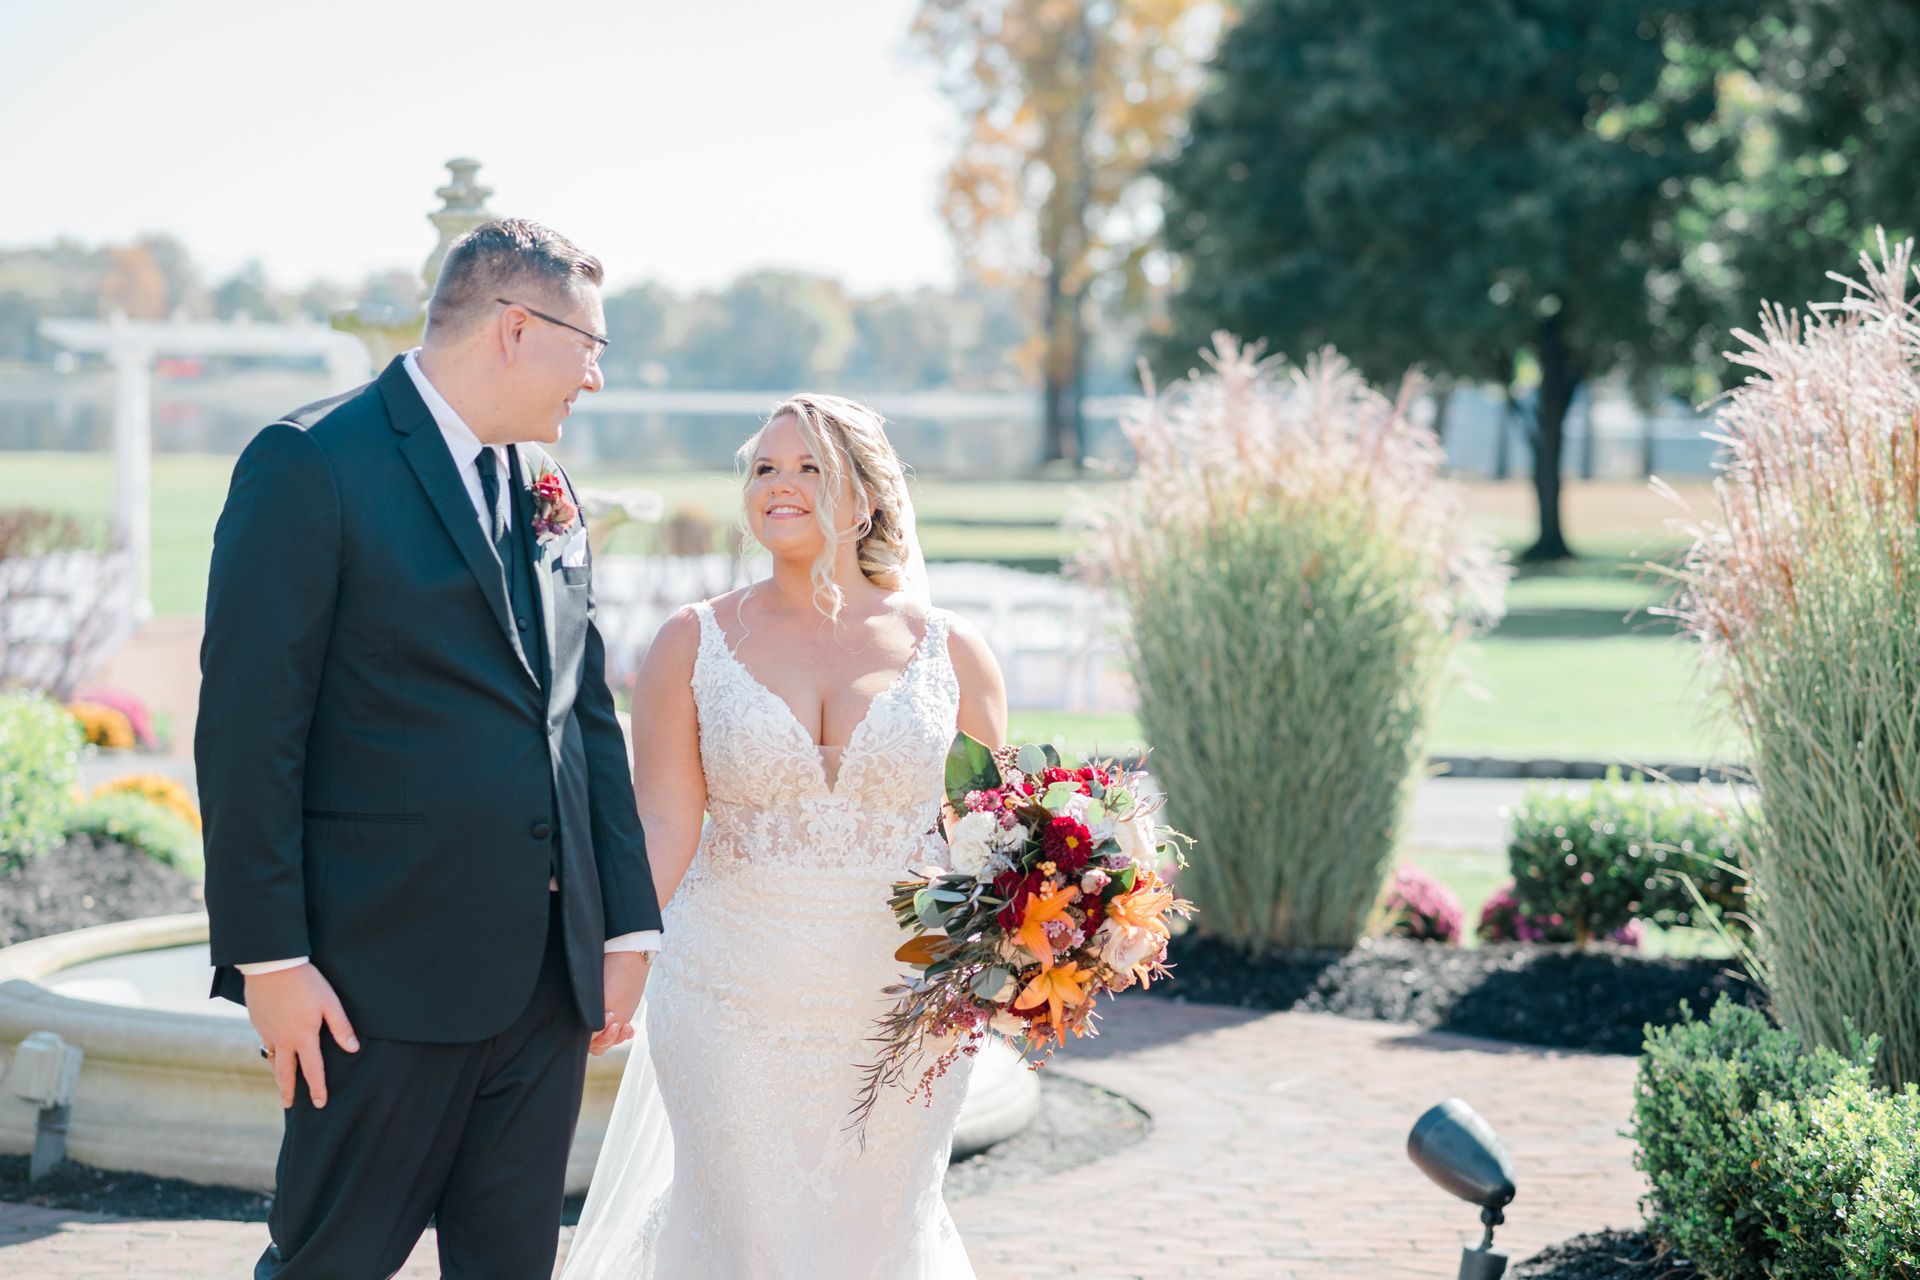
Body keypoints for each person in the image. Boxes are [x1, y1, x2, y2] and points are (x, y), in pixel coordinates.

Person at [197, 218, 661, 1279]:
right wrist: (272, 960)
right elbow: (248, 732)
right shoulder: (311, 461)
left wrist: (625, 918)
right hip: (374, 989)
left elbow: (582, 709)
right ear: (513, 327)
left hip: (544, 990)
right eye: (590, 345)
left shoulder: (547, 488)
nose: (595, 378)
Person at [562, 394, 1008, 1278]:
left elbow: (992, 842)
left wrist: (1046, 944)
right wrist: (618, 956)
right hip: (728, 994)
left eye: (810, 467)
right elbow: (663, 820)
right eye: (765, 467)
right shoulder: (690, 642)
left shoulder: (953, 652)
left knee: (880, 1230)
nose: (781, 485)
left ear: (866, 501)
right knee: (742, 1233)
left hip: (904, 1003)